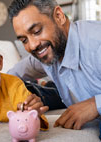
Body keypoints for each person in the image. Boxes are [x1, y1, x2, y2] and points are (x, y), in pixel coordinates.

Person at [8, 0, 101, 130]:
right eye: (24, 40)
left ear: (59, 16)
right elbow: (9, 77)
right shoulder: (46, 53)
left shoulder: (96, 42)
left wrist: (95, 104)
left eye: (36, 31)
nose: (32, 45)